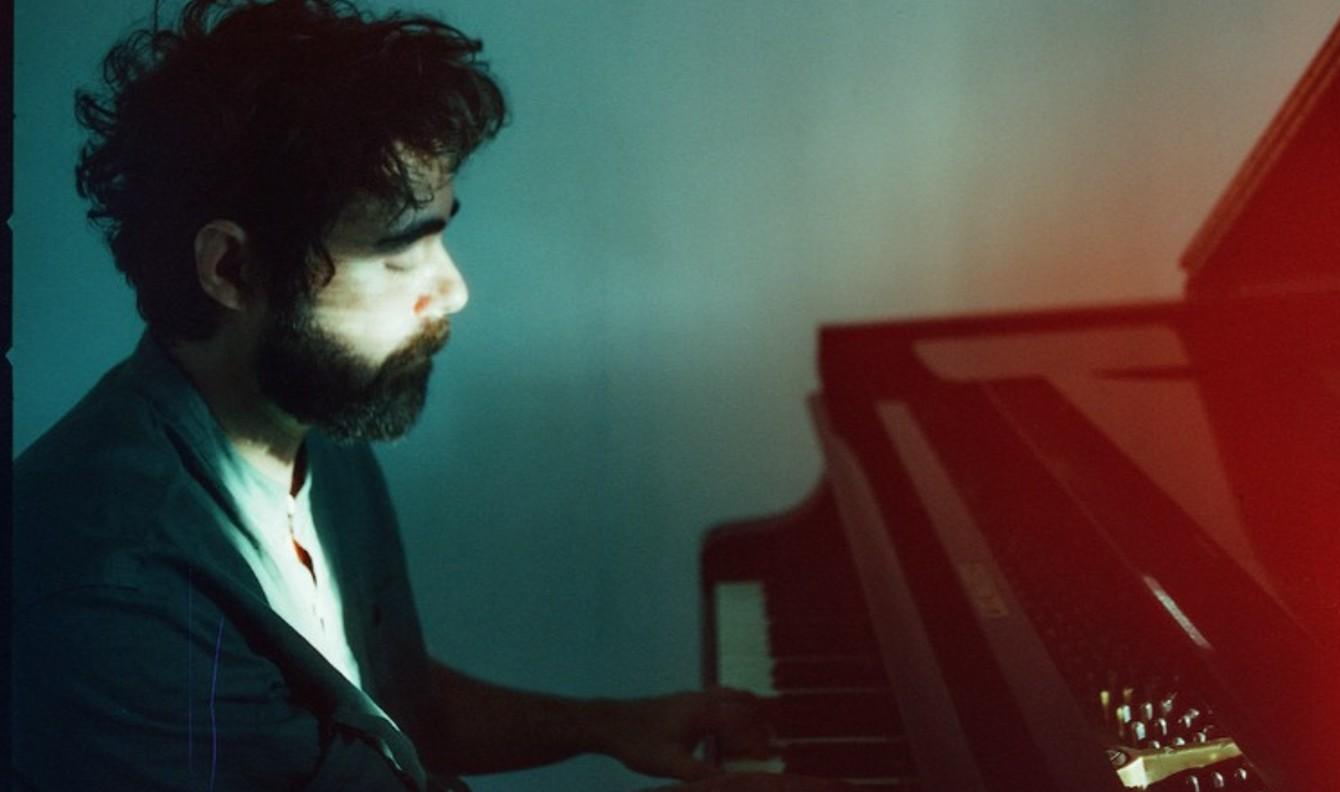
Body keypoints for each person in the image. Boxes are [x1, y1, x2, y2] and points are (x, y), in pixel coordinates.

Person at [10, 1, 848, 789]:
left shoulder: (310, 419)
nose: (452, 292)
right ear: (232, 269)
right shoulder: (110, 590)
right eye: (402, 253)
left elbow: (389, 715)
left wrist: (611, 725)